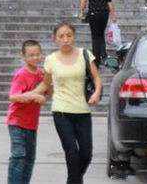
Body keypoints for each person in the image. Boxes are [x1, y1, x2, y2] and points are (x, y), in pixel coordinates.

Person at [38, 22, 101, 184]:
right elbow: (45, 84)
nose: (65, 39)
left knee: (86, 154)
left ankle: (72, 181)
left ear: (74, 37)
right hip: (61, 112)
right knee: (71, 152)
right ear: (55, 39)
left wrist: (96, 93)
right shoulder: (51, 59)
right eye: (61, 36)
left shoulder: (85, 54)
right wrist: (31, 94)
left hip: (83, 111)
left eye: (69, 35)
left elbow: (96, 78)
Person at [6, 40, 46, 184]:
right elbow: (13, 96)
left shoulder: (41, 74)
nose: (35, 57)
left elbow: (48, 92)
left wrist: (49, 81)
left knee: (29, 158)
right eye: (31, 55)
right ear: (23, 56)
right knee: (19, 157)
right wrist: (34, 96)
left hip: (31, 124)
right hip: (16, 122)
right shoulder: (21, 74)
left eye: (37, 54)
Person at [79, 0, 116, 65]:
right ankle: (103, 54)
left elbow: (84, 0)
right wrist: (113, 15)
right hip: (104, 14)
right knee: (101, 34)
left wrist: (81, 11)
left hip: (93, 14)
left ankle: (96, 59)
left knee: (95, 37)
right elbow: (109, 1)